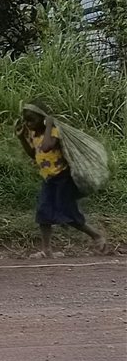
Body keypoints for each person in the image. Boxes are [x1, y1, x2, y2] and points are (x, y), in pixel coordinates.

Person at [16, 100, 107, 258]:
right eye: (26, 120)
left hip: (63, 178)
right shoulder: (33, 135)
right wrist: (21, 138)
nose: (29, 123)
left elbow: (46, 147)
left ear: (44, 118)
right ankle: (47, 250)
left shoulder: (53, 132)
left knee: (68, 214)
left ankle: (97, 236)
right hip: (48, 179)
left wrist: (50, 124)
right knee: (43, 213)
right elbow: (34, 154)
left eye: (32, 120)